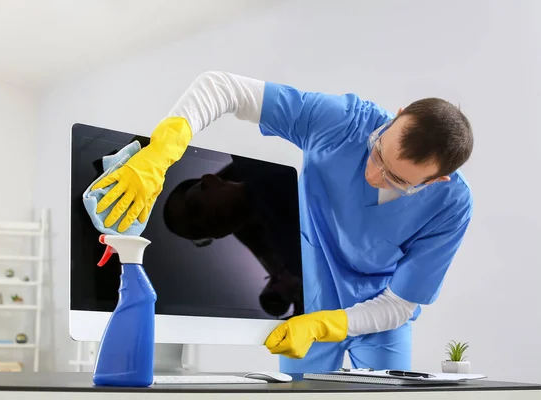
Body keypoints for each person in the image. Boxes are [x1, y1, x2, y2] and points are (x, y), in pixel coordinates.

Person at [92, 71, 474, 373]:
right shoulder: (342, 122)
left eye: (397, 180)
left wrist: (326, 325)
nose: (373, 174)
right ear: (398, 115)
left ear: (436, 180)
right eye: (377, 152)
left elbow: (401, 304)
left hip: (378, 319)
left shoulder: (451, 205)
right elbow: (222, 87)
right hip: (307, 304)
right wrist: (161, 152)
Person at [162, 157, 304, 318]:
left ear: (210, 180)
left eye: (195, 208)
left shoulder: (255, 156)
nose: (204, 221)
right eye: (200, 231)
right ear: (219, 235)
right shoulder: (293, 253)